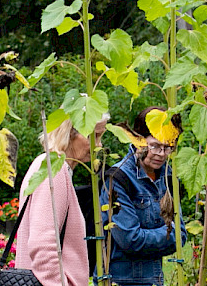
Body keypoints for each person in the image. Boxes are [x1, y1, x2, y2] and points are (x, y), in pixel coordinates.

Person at [13, 117, 105, 286]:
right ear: (70, 134)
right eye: (94, 136)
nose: (99, 145)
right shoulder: (54, 170)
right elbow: (43, 245)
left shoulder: (51, 166)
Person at [104, 107, 180, 286]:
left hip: (155, 278)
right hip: (122, 280)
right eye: (154, 146)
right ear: (138, 140)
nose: (161, 154)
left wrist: (153, 236)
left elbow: (181, 233)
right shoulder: (118, 177)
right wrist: (168, 233)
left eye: (167, 147)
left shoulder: (167, 177)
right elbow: (130, 239)